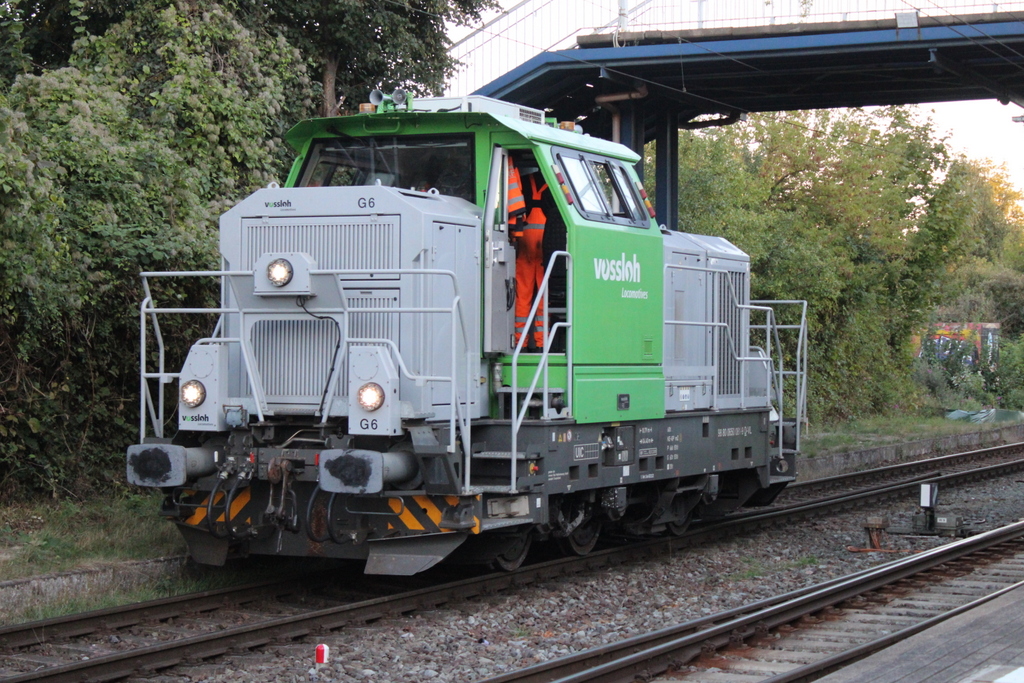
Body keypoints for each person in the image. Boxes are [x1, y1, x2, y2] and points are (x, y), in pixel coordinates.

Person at [513, 170, 549, 350]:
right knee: (543, 299)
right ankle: (541, 344)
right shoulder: (555, 187)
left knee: (522, 299)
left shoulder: (524, 182)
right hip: (545, 251)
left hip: (526, 250)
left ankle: (520, 343)